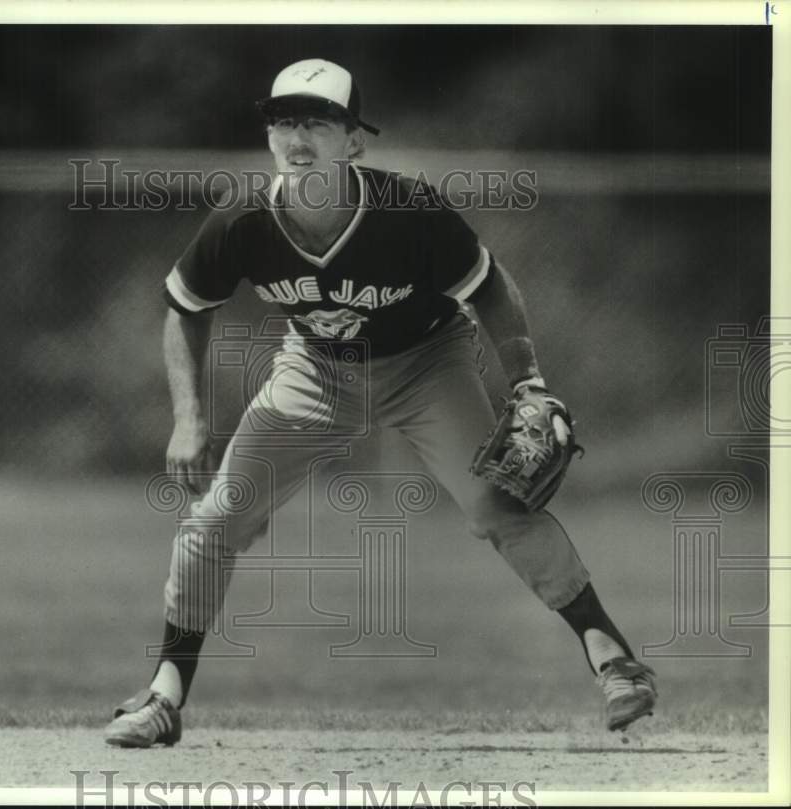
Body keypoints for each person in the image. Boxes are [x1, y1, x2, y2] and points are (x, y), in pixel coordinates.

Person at [104, 58, 657, 748]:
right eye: (283, 119)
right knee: (215, 521)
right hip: (315, 370)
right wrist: (188, 415)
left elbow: (488, 285)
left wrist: (529, 382)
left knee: (496, 505)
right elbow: (185, 307)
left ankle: (613, 658)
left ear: (353, 141)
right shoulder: (244, 220)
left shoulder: (407, 211)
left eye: (316, 120)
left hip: (428, 362)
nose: (296, 134)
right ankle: (164, 694)